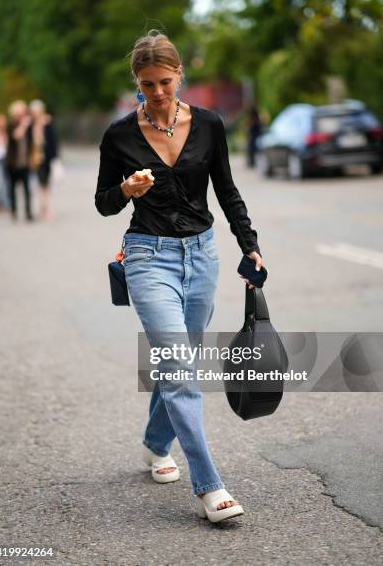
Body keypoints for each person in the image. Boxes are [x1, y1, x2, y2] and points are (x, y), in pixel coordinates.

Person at [95, 30, 263, 523]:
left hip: (202, 256)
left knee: (177, 365)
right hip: (147, 257)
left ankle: (154, 443)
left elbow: (227, 190)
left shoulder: (209, 124)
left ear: (179, 75)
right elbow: (104, 203)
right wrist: (126, 188)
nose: (158, 93)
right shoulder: (120, 135)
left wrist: (249, 243)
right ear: (136, 83)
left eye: (165, 81)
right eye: (147, 85)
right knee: (179, 369)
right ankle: (210, 486)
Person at [29, 99, 58, 221]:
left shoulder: (47, 123)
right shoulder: (30, 124)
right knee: (39, 184)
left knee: (44, 184)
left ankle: (46, 208)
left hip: (45, 158)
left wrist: (55, 158)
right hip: (33, 158)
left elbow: (53, 141)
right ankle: (43, 207)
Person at [6, 100, 33, 221]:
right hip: (12, 163)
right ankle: (14, 212)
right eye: (20, 113)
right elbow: (16, 136)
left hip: (25, 163)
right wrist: (24, 125)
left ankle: (28, 213)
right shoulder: (11, 124)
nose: (23, 115)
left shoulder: (28, 126)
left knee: (27, 189)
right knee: (12, 189)